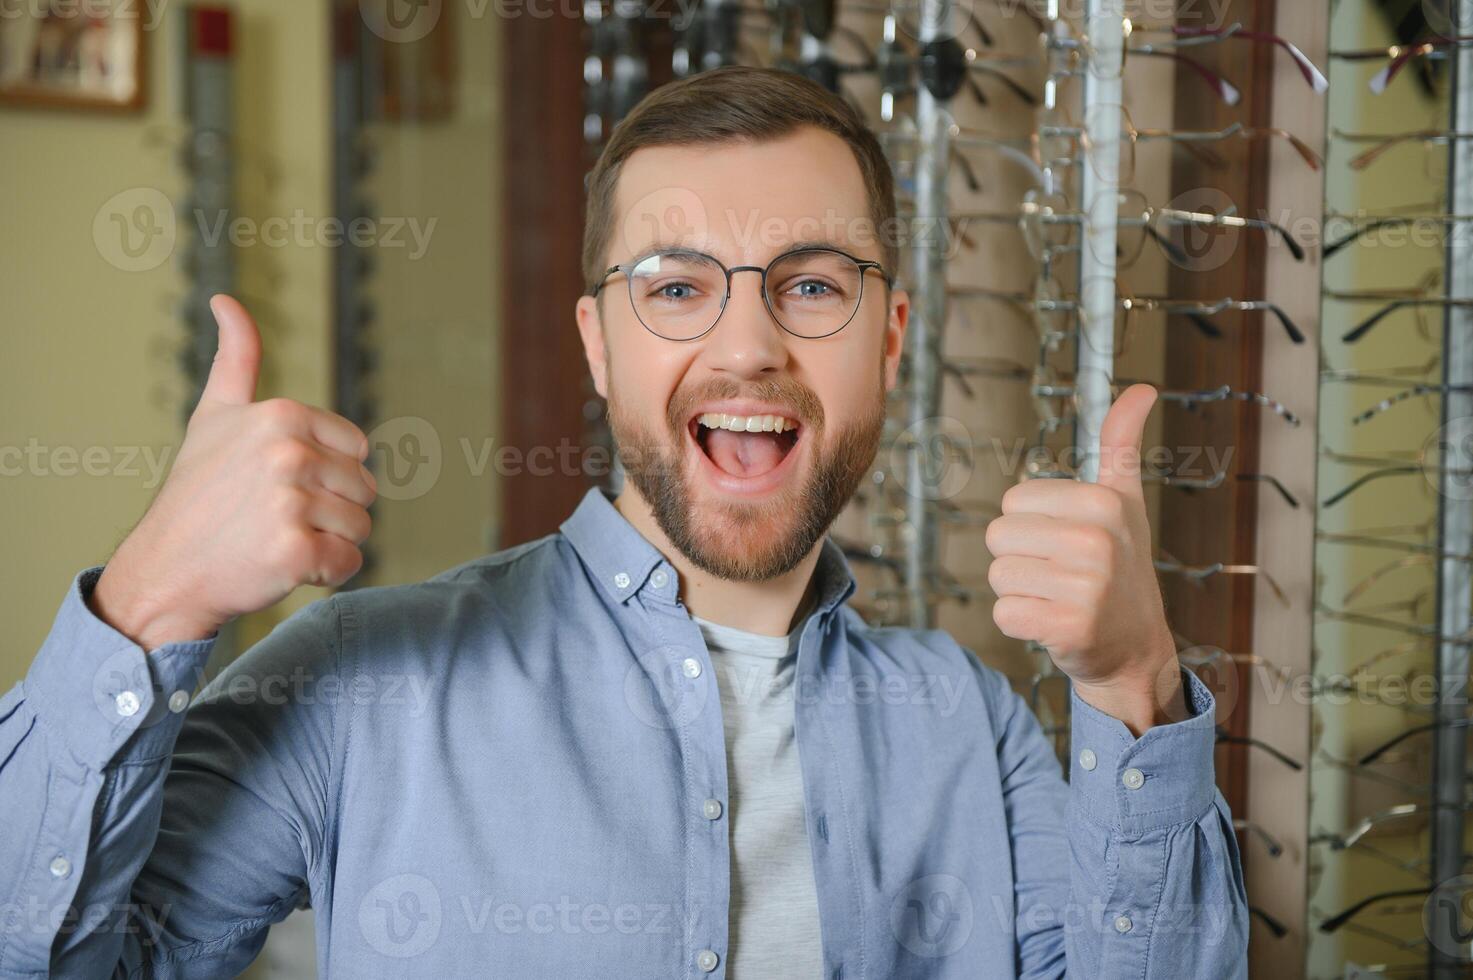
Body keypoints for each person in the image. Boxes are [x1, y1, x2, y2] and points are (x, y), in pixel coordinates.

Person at [0, 65, 1247, 978]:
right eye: (677, 288)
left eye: (813, 284)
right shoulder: (359, 681)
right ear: (597, 343)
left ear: (891, 337)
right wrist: (149, 597)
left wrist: (1137, 678)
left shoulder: (969, 728)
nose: (748, 343)